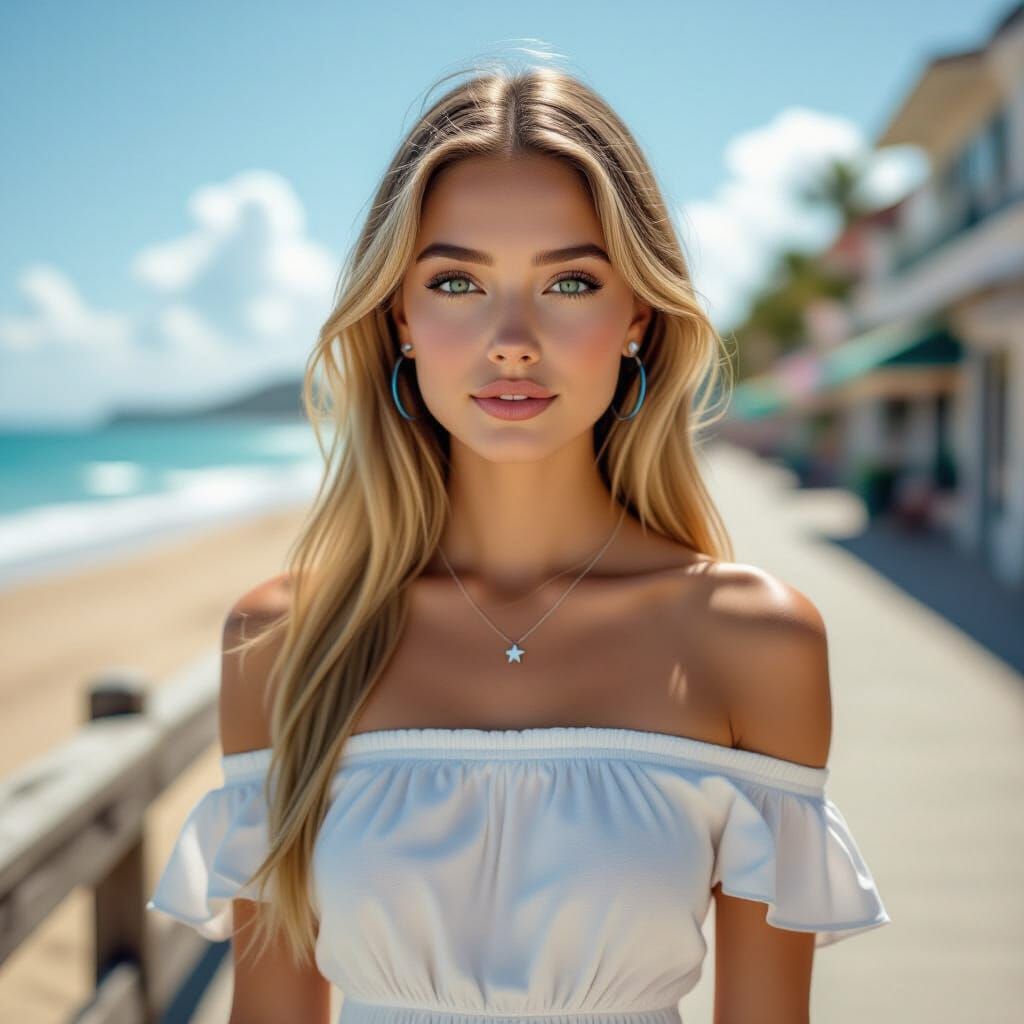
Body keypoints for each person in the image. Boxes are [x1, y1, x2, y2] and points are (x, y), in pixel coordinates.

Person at [147, 61, 891, 1024]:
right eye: (456, 281)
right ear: (399, 317)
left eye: (569, 281)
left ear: (638, 316)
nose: (511, 338)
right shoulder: (287, 638)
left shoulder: (754, 641)